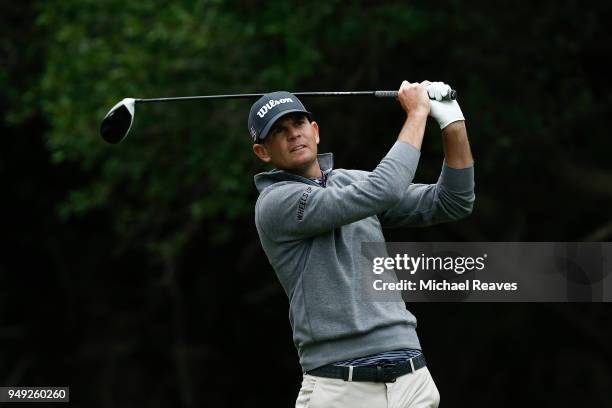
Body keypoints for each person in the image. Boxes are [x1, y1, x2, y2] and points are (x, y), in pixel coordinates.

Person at [249, 80, 475, 408]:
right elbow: (383, 190)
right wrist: (417, 114)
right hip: (340, 386)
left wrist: (452, 122)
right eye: (278, 131)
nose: (293, 134)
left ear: (315, 130)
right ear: (263, 152)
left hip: (411, 379)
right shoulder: (275, 203)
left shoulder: (351, 181)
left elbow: (453, 201)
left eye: (298, 123)